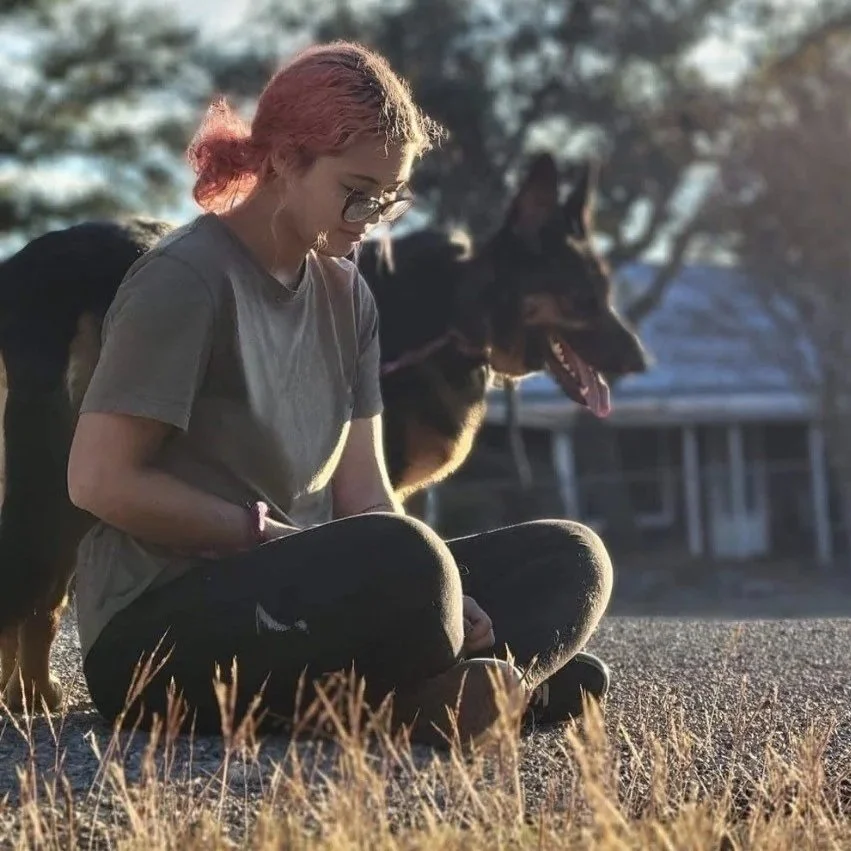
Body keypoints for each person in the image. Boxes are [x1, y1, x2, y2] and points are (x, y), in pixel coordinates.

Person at [67, 40, 614, 749]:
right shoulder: (183, 280)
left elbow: (365, 492)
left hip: (310, 598)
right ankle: (443, 694)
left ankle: (440, 692)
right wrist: (263, 536)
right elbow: (99, 479)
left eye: (387, 198)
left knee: (568, 555)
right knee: (403, 557)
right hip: (158, 630)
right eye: (356, 191)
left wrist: (456, 591)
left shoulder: (345, 290)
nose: (372, 218)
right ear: (286, 160)